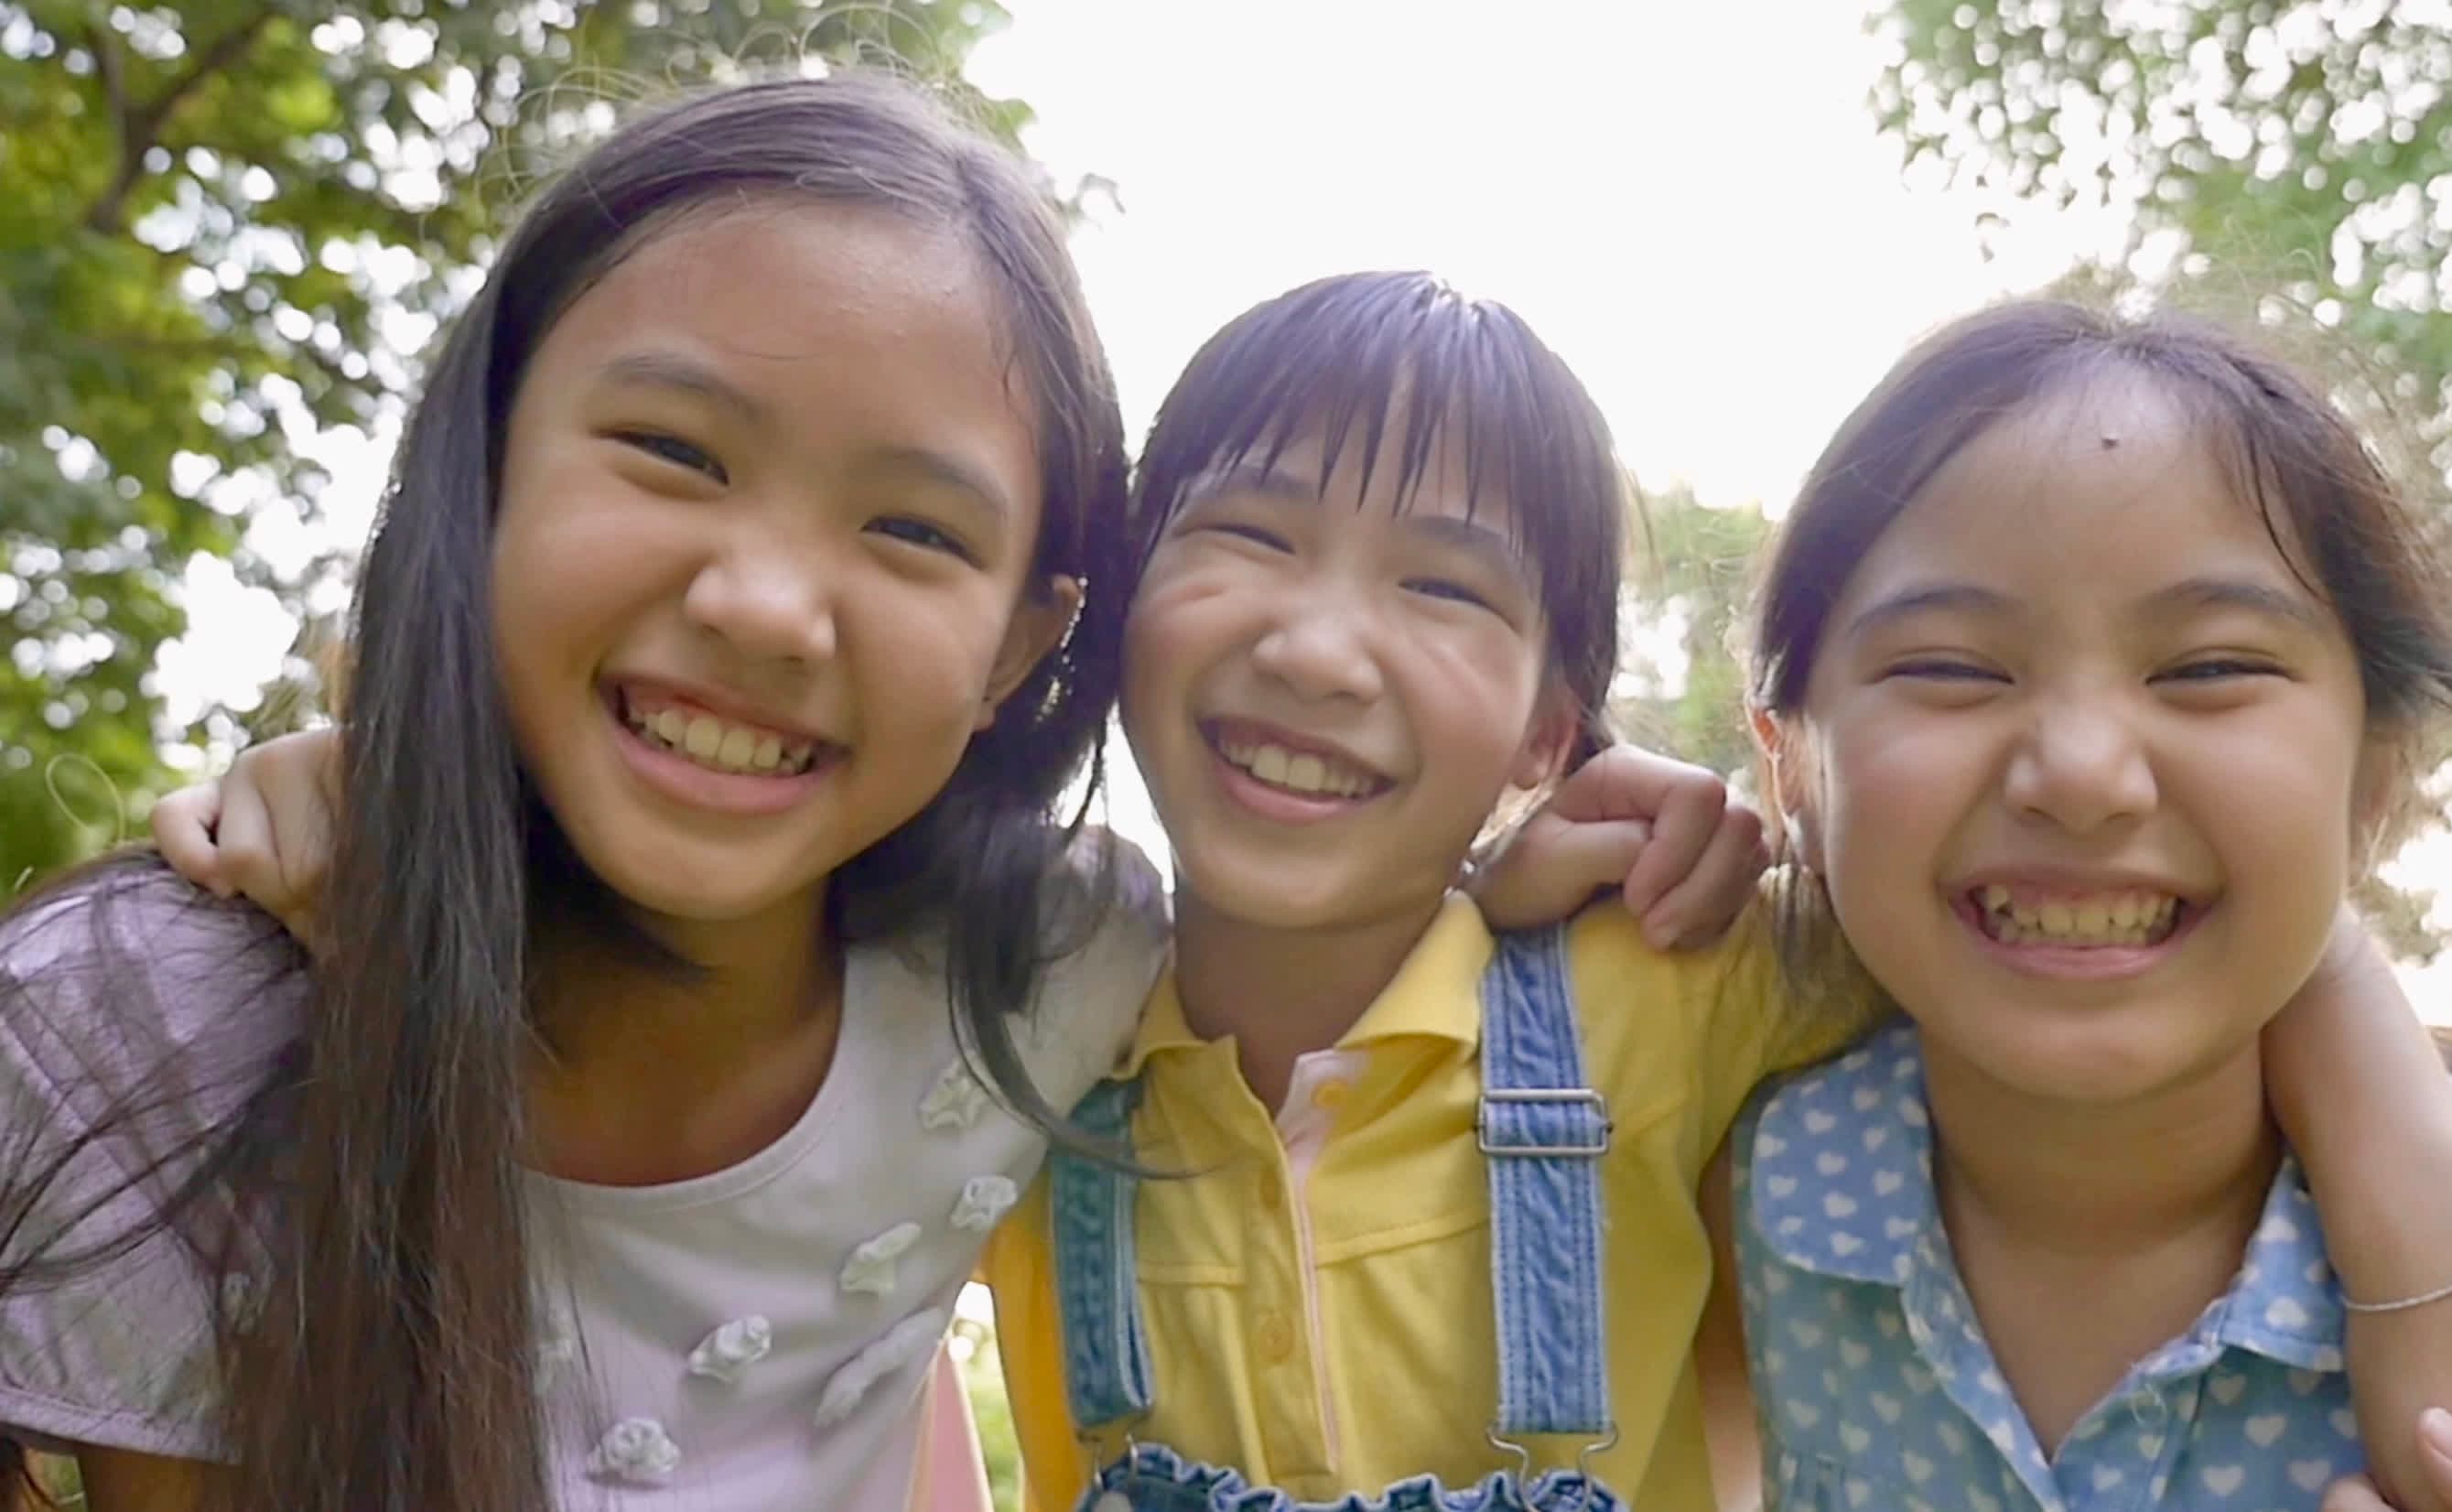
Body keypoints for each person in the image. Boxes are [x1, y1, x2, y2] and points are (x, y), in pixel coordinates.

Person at [0, 76, 1734, 1512]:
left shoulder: (1043, 976)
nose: (765, 602)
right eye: (676, 452)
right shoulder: (164, 1036)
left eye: (912, 528)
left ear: (1025, 643)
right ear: (486, 464)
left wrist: (1576, 835)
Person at [1725, 300, 2452, 1511]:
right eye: (1950, 668)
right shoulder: (1729, 1211)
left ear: (2374, 778)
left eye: (2210, 668)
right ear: (1791, 767)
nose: (2086, 777)